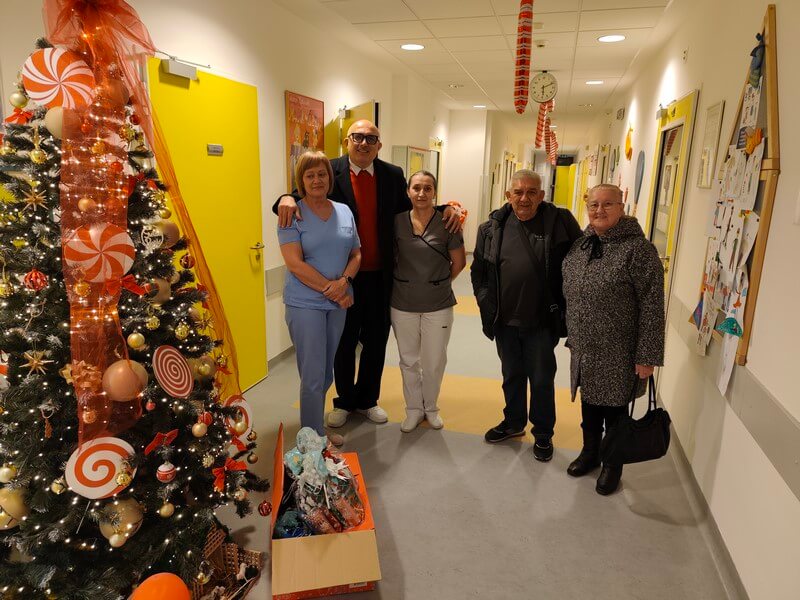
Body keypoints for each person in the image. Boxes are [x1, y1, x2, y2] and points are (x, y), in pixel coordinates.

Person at [274, 120, 463, 430]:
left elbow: (413, 204)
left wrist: (446, 209)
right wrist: (284, 197)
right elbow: (301, 192)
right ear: (347, 141)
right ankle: (344, 401)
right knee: (343, 343)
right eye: (358, 137)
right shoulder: (330, 169)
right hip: (342, 277)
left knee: (376, 341)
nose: (364, 143)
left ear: (379, 144)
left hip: (379, 276)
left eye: (371, 138)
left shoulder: (392, 174)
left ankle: (367, 400)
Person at [471, 170, 582, 461]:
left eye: (532, 192)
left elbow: (581, 262)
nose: (524, 198)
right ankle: (513, 422)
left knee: (542, 379)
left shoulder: (560, 221)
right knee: (511, 375)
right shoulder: (491, 227)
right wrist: (484, 301)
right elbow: (478, 270)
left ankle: (543, 433)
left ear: (542, 195)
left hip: (542, 320)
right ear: (508, 195)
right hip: (504, 320)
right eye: (518, 192)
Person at [562, 183, 665, 495]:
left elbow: (652, 306)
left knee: (615, 411)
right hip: (585, 346)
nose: (599, 210)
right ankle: (590, 452)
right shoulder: (583, 244)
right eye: (594, 204)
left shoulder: (638, 250)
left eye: (608, 204)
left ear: (622, 207)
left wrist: (647, 356)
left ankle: (612, 463)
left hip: (619, 349)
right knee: (589, 405)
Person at [278, 152, 361, 447]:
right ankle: (311, 441)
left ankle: (315, 429)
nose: (317, 180)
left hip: (338, 303)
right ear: (301, 181)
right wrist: (332, 289)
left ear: (330, 178)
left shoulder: (344, 211)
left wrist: (345, 282)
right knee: (313, 374)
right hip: (305, 304)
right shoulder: (291, 213)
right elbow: (294, 263)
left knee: (326, 372)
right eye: (310, 175)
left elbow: (356, 253)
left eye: (322, 174)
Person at [391, 171, 466, 432]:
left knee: (434, 361)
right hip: (403, 302)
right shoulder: (397, 221)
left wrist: (438, 283)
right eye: (416, 188)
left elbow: (459, 262)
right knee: (409, 360)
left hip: (438, 303)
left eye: (427, 188)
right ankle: (413, 409)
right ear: (408, 192)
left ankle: (431, 408)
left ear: (435, 192)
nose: (421, 193)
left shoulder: (448, 222)